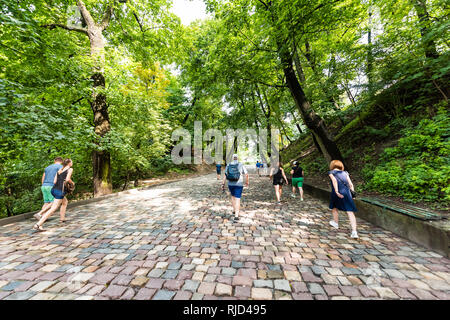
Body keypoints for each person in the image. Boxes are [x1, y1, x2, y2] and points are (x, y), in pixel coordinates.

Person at [33, 158, 74, 231]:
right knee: (53, 208)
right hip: (60, 191)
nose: (72, 163)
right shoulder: (70, 169)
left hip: (54, 190)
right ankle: (38, 224)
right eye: (71, 162)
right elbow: (67, 179)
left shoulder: (59, 170)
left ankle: (62, 219)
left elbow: (54, 181)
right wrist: (72, 183)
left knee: (65, 202)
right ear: (69, 163)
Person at [328, 160, 358, 238]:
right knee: (350, 212)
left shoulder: (331, 173)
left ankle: (336, 223)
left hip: (337, 192)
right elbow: (351, 184)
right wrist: (353, 194)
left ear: (332, 165)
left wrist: (337, 191)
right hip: (347, 193)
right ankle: (354, 232)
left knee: (334, 207)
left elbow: (334, 181)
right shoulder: (345, 173)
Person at [222, 154, 249, 222]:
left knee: (233, 197)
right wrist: (247, 182)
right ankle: (236, 216)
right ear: (238, 158)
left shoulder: (228, 165)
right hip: (239, 184)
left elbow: (225, 175)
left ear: (232, 158)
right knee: (237, 199)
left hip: (230, 184)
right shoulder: (241, 164)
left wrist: (223, 184)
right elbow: (246, 174)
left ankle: (234, 209)